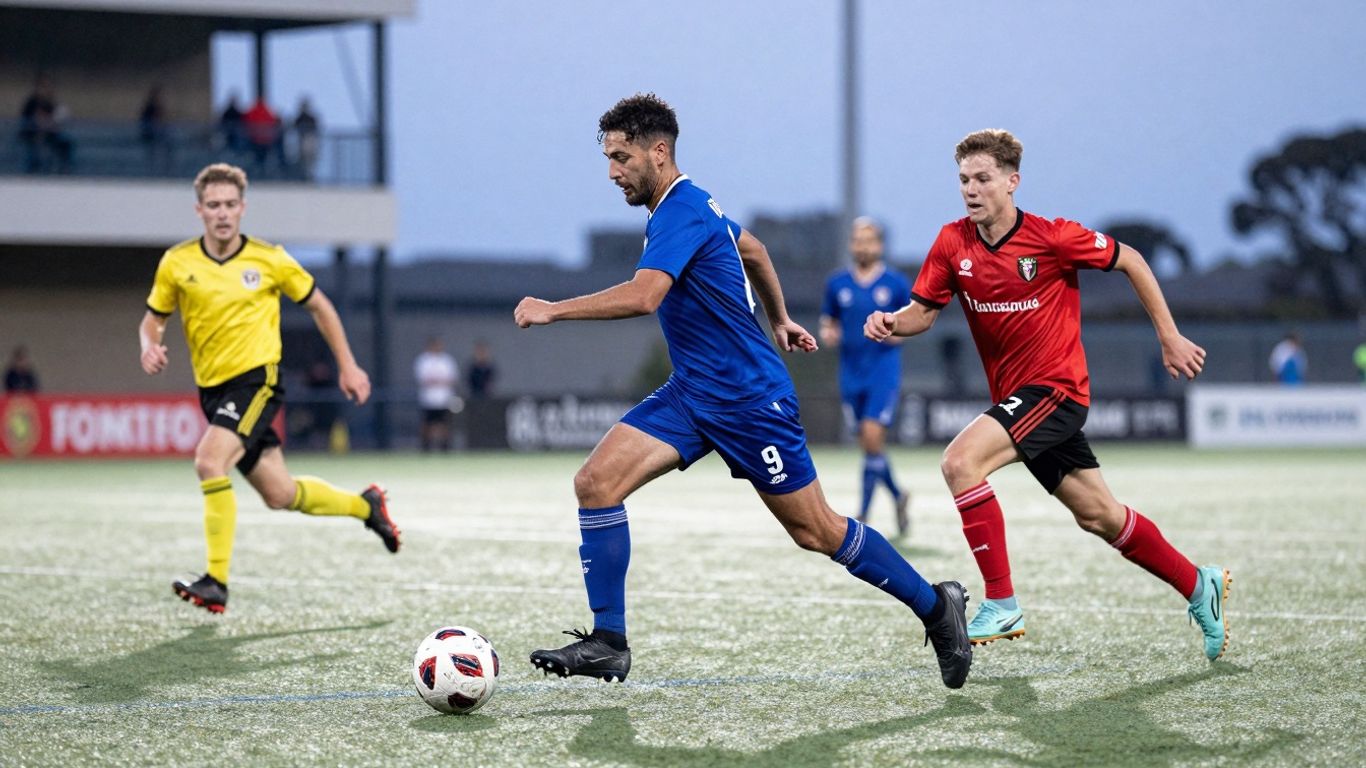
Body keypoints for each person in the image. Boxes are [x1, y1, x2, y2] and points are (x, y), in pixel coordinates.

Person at [514, 93, 971, 689]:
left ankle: (938, 607)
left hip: (752, 402)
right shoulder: (691, 205)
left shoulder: (681, 209)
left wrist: (554, 309)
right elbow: (750, 247)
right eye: (608, 158)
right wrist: (778, 317)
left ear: (659, 152)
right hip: (693, 394)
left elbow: (644, 295)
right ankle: (609, 640)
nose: (612, 172)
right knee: (595, 483)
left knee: (817, 531)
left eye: (621, 157)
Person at [864, 129, 1229, 661]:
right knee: (1100, 516)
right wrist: (890, 322)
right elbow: (923, 311)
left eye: (983, 179)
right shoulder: (951, 243)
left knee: (960, 463)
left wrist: (1169, 337)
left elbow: (1132, 261)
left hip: (1056, 392)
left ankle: (1002, 601)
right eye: (964, 179)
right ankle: (1200, 585)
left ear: (1012, 182)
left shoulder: (1053, 237)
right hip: (1021, 402)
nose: (971, 189)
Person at [138, 162, 400, 614]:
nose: (222, 213)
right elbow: (152, 321)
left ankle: (216, 580)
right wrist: (149, 346)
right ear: (199, 210)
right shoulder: (177, 263)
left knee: (208, 461)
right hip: (213, 393)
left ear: (243, 208)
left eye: (230, 205)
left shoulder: (270, 259)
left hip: (256, 382)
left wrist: (348, 366)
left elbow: (322, 308)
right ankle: (366, 506)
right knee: (280, 494)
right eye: (214, 205)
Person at [819, 217, 912, 535]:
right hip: (850, 373)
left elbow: (911, 323)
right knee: (870, 446)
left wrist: (893, 332)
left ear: (880, 245)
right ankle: (899, 496)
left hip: (882, 373)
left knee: (872, 438)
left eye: (869, 239)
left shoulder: (896, 283)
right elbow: (828, 321)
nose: (863, 245)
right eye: (858, 239)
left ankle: (864, 514)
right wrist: (828, 333)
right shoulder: (837, 284)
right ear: (851, 244)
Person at [19, 74, 74, 173]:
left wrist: (53, 123)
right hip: (32, 133)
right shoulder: (32, 102)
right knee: (38, 147)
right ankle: (35, 169)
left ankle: (63, 168)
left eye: (48, 86)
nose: (46, 89)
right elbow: (31, 119)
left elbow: (55, 117)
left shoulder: (50, 102)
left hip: (49, 133)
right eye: (44, 86)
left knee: (66, 144)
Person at [414, 336, 459, 452]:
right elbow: (423, 380)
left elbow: (452, 379)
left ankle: (445, 448)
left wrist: (437, 381)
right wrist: (439, 381)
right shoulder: (423, 360)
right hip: (428, 399)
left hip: (444, 399)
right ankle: (425, 448)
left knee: (444, 424)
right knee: (427, 424)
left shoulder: (447, 361)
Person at [139, 85, 172, 174]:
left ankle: (166, 167)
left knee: (168, 140)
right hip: (150, 134)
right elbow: (150, 122)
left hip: (156, 134)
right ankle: (156, 168)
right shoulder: (150, 106)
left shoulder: (157, 106)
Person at [292, 97, 321, 180]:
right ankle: (303, 175)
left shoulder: (311, 118)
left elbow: (315, 129)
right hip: (301, 142)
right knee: (303, 160)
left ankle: (309, 176)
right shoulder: (299, 118)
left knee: (310, 161)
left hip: (310, 141)